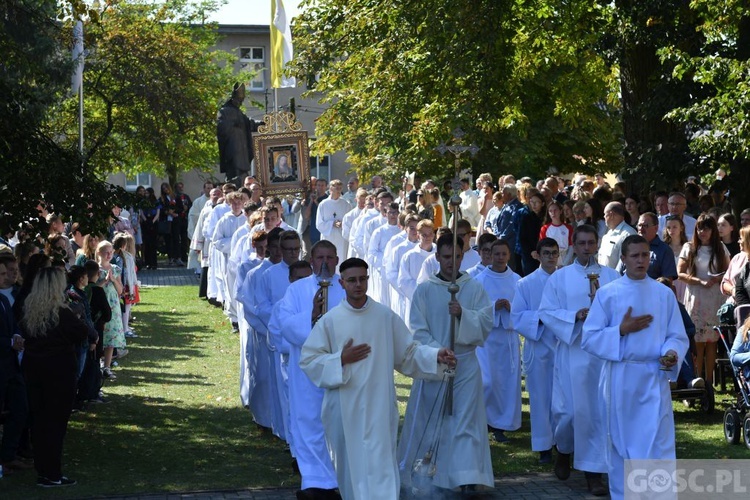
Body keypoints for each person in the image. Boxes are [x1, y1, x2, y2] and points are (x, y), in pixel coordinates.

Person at [300, 258, 455, 500]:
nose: (358, 285)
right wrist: (340, 358)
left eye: (363, 279)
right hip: (344, 409)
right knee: (352, 473)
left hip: (379, 407)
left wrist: (436, 355)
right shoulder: (331, 321)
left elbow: (408, 353)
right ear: (341, 283)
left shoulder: (384, 316)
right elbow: (308, 360)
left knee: (382, 470)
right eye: (352, 280)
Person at [582, 235, 688, 500]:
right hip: (621, 376)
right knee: (622, 443)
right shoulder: (608, 293)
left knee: (657, 442)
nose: (641, 260)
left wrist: (671, 353)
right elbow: (590, 337)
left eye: (645, 255)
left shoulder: (663, 294)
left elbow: (676, 334)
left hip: (653, 376)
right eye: (635, 256)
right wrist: (620, 330)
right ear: (624, 259)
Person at [397, 234, 494, 494]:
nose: (452, 262)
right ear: (437, 257)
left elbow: (486, 323)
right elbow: (417, 330)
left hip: (465, 365)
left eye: (457, 257)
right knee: (435, 421)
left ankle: (466, 477)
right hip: (435, 365)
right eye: (447, 257)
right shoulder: (425, 289)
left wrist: (463, 314)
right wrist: (437, 351)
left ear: (463, 257)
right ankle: (431, 476)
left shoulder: (473, 288)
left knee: (465, 423)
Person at [538, 224, 619, 496]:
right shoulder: (559, 278)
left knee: (597, 415)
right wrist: (575, 316)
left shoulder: (611, 277)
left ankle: (593, 473)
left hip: (600, 357)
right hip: (572, 353)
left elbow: (620, 312)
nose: (586, 248)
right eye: (581, 243)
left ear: (596, 244)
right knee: (568, 415)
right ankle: (563, 449)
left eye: (590, 243)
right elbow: (547, 312)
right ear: (574, 245)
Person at [277, 240, 345, 499]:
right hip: (305, 371)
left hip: (338, 367)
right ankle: (314, 480)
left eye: (330, 257)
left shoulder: (345, 287)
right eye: (320, 257)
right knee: (308, 421)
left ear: (337, 260)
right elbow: (284, 323)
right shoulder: (297, 291)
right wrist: (311, 316)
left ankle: (338, 477)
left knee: (337, 422)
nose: (325, 263)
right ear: (312, 260)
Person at [19, 267, 89, 487]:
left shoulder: (29, 310)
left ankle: (44, 470)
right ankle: (52, 473)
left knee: (39, 422)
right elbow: (82, 332)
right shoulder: (61, 313)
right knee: (56, 424)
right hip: (59, 372)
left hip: (34, 370)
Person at [511, 237, 559, 464]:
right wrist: (542, 318)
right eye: (547, 253)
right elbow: (517, 316)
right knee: (541, 398)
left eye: (555, 253)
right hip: (539, 347)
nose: (551, 257)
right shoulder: (525, 284)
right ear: (537, 255)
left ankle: (563, 443)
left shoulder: (566, 280)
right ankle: (543, 446)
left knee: (564, 399)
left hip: (563, 347)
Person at [474, 239, 521, 443]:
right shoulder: (480, 280)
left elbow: (523, 308)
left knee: (506, 382)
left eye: (504, 254)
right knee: (488, 381)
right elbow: (474, 307)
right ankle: (483, 419)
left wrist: (512, 308)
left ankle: (502, 423)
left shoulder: (517, 280)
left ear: (509, 256)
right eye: (497, 254)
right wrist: (494, 306)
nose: (500, 258)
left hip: (508, 337)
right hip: (488, 338)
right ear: (490, 255)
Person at [677, 214, 730, 387]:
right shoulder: (689, 247)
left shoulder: (720, 248)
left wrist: (717, 278)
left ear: (712, 230)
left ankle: (708, 382)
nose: (702, 232)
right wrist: (699, 281)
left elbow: (729, 272)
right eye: (699, 228)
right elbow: (680, 273)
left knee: (712, 341)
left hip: (714, 298)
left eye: (706, 228)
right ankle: (696, 378)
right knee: (698, 340)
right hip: (696, 297)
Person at [616, 212, 677, 280]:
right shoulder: (629, 247)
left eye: (645, 226)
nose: (641, 229)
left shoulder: (664, 250)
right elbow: (617, 274)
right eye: (639, 225)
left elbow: (667, 281)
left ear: (656, 228)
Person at [217, 82, 256, 183]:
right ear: (233, 98)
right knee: (234, 173)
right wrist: (234, 123)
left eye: (241, 100)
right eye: (239, 100)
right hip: (232, 148)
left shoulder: (239, 112)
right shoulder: (224, 111)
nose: (240, 102)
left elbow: (248, 123)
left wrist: (260, 124)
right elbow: (221, 128)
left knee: (242, 173)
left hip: (242, 149)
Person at [597, 201, 636, 269]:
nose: (604, 217)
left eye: (605, 214)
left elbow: (625, 264)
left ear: (611, 214)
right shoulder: (607, 235)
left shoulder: (628, 234)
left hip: (617, 278)